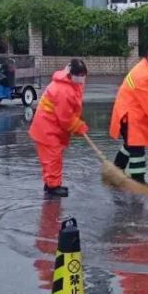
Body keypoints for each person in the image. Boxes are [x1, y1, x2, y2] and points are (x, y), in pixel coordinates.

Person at [110, 45, 148, 184]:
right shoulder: (143, 76)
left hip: (133, 113)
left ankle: (115, 171)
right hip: (129, 116)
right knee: (137, 149)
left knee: (130, 145)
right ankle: (138, 181)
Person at [28, 58, 89, 197]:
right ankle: (53, 187)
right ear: (71, 74)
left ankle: (50, 183)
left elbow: (70, 110)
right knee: (52, 157)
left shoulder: (71, 82)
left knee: (53, 156)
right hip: (46, 127)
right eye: (79, 76)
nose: (82, 79)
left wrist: (77, 121)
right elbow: (65, 119)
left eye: (83, 75)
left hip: (50, 125)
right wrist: (78, 126)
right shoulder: (63, 90)